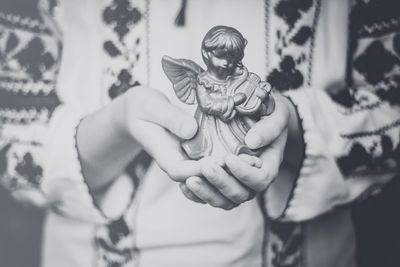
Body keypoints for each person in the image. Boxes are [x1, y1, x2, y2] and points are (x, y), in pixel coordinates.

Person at [0, 1, 399, 267]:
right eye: (218, 57)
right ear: (208, 58)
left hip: (312, 252)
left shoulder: (241, 77)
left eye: (231, 57)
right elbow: (13, 134)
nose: (225, 64)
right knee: (202, 136)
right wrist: (118, 125)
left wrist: (291, 121)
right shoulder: (203, 80)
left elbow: (390, 111)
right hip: (90, 252)